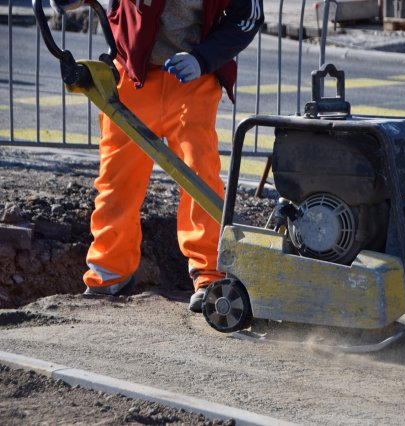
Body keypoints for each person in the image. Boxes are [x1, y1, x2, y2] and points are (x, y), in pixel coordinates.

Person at [53, 0, 263, 312]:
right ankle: (109, 271)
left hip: (193, 79)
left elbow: (247, 16)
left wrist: (202, 59)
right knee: (116, 179)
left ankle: (210, 277)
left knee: (199, 177)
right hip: (133, 74)